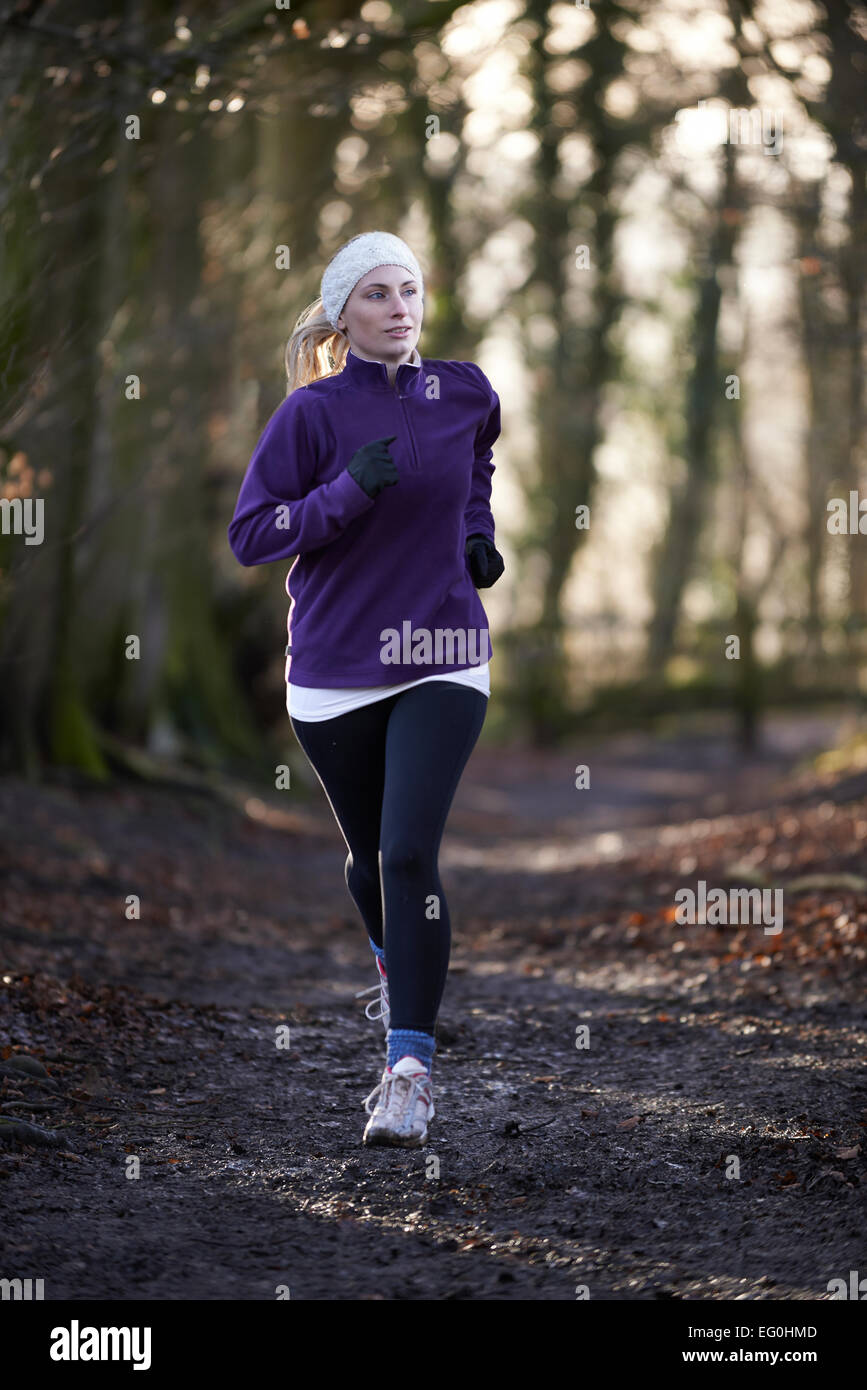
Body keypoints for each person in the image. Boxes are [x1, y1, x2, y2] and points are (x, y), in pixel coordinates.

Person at [228, 231, 504, 1147]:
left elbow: (476, 473)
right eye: (378, 294)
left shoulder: (465, 391)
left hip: (443, 646)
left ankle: (409, 1072)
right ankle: (395, 959)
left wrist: (475, 534)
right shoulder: (310, 416)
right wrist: (344, 492)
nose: (399, 307)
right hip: (336, 667)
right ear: (343, 314)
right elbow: (253, 535)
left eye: (411, 290)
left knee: (407, 856)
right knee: (366, 862)